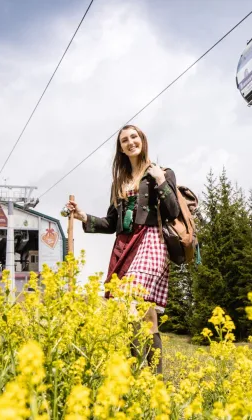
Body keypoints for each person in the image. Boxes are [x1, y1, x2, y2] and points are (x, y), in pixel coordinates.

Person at [65, 124, 180, 375]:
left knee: (132, 305)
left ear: (143, 140)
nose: (130, 142)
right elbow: (110, 224)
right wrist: (84, 216)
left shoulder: (161, 172)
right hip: (124, 247)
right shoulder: (120, 182)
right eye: (124, 140)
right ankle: (144, 379)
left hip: (151, 243)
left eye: (134, 137)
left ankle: (149, 379)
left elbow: (173, 212)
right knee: (142, 317)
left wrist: (161, 180)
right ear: (121, 148)